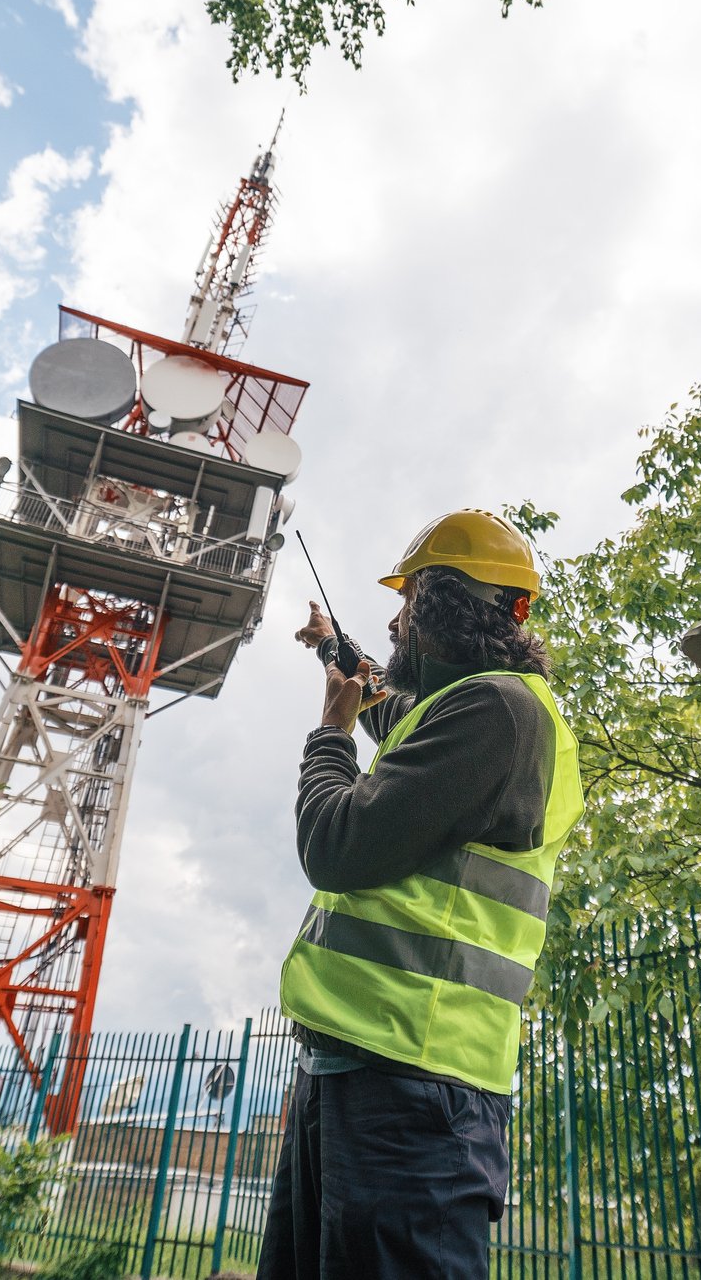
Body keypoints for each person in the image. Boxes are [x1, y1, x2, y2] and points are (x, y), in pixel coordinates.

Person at [258, 509, 584, 1280]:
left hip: (411, 1085)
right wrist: (335, 650)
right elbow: (392, 706)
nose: (395, 619)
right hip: (363, 1071)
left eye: (406, 601)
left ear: (439, 603)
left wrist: (330, 733)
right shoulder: (472, 712)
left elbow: (335, 847)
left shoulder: (499, 710)